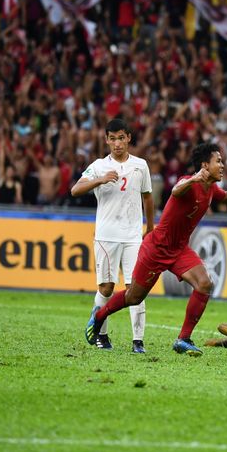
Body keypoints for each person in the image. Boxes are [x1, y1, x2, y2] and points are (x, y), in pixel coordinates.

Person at [85, 142, 227, 356]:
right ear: (204, 165)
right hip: (156, 248)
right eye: (218, 161)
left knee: (204, 283)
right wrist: (193, 178)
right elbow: (176, 190)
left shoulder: (211, 189)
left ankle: (183, 338)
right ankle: (99, 316)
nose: (222, 165)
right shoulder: (188, 182)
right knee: (134, 297)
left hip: (179, 250)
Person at [71, 119, 155, 353]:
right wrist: (99, 179)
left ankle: (138, 341)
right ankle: (102, 335)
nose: (117, 143)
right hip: (106, 236)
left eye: (121, 137)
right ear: (106, 140)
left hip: (132, 236)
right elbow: (75, 190)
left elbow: (147, 197)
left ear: (129, 138)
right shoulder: (98, 166)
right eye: (112, 138)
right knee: (107, 288)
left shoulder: (140, 165)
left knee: (135, 289)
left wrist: (150, 228)